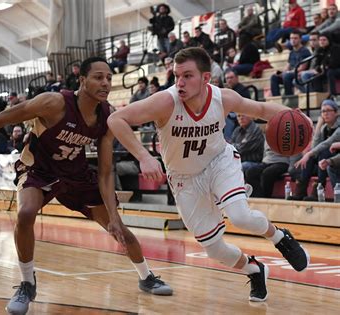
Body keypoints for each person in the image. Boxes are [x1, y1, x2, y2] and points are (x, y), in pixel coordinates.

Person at [0, 57, 172, 315]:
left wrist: (113, 216)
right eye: (98, 77)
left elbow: (104, 172)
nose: (105, 83)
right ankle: (27, 284)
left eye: (109, 78)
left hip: (75, 174)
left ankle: (146, 276)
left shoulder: (107, 116)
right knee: (25, 213)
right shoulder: (54, 102)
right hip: (39, 170)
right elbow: (2, 117)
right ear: (82, 80)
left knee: (119, 228)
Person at [107, 47, 309, 302]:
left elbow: (260, 109)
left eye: (188, 76)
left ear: (205, 78)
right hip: (184, 178)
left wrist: (299, 117)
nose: (180, 82)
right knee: (214, 249)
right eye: (177, 75)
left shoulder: (223, 98)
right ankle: (255, 269)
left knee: (240, 215)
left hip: (219, 162)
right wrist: (144, 156)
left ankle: (280, 238)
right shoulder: (165, 101)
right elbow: (116, 119)